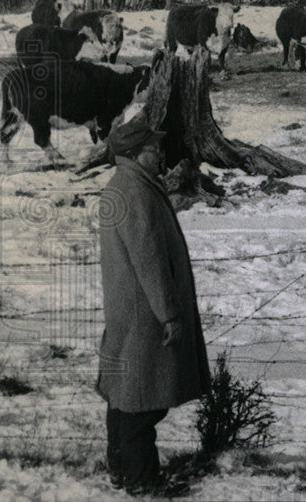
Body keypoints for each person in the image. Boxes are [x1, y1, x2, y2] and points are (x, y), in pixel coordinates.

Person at [97, 120, 211, 497]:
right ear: (133, 154)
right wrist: (170, 315)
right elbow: (148, 261)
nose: (161, 153)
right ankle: (143, 482)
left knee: (127, 393)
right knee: (142, 403)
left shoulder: (126, 185)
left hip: (129, 309)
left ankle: (120, 470)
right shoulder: (135, 192)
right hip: (146, 313)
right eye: (153, 148)